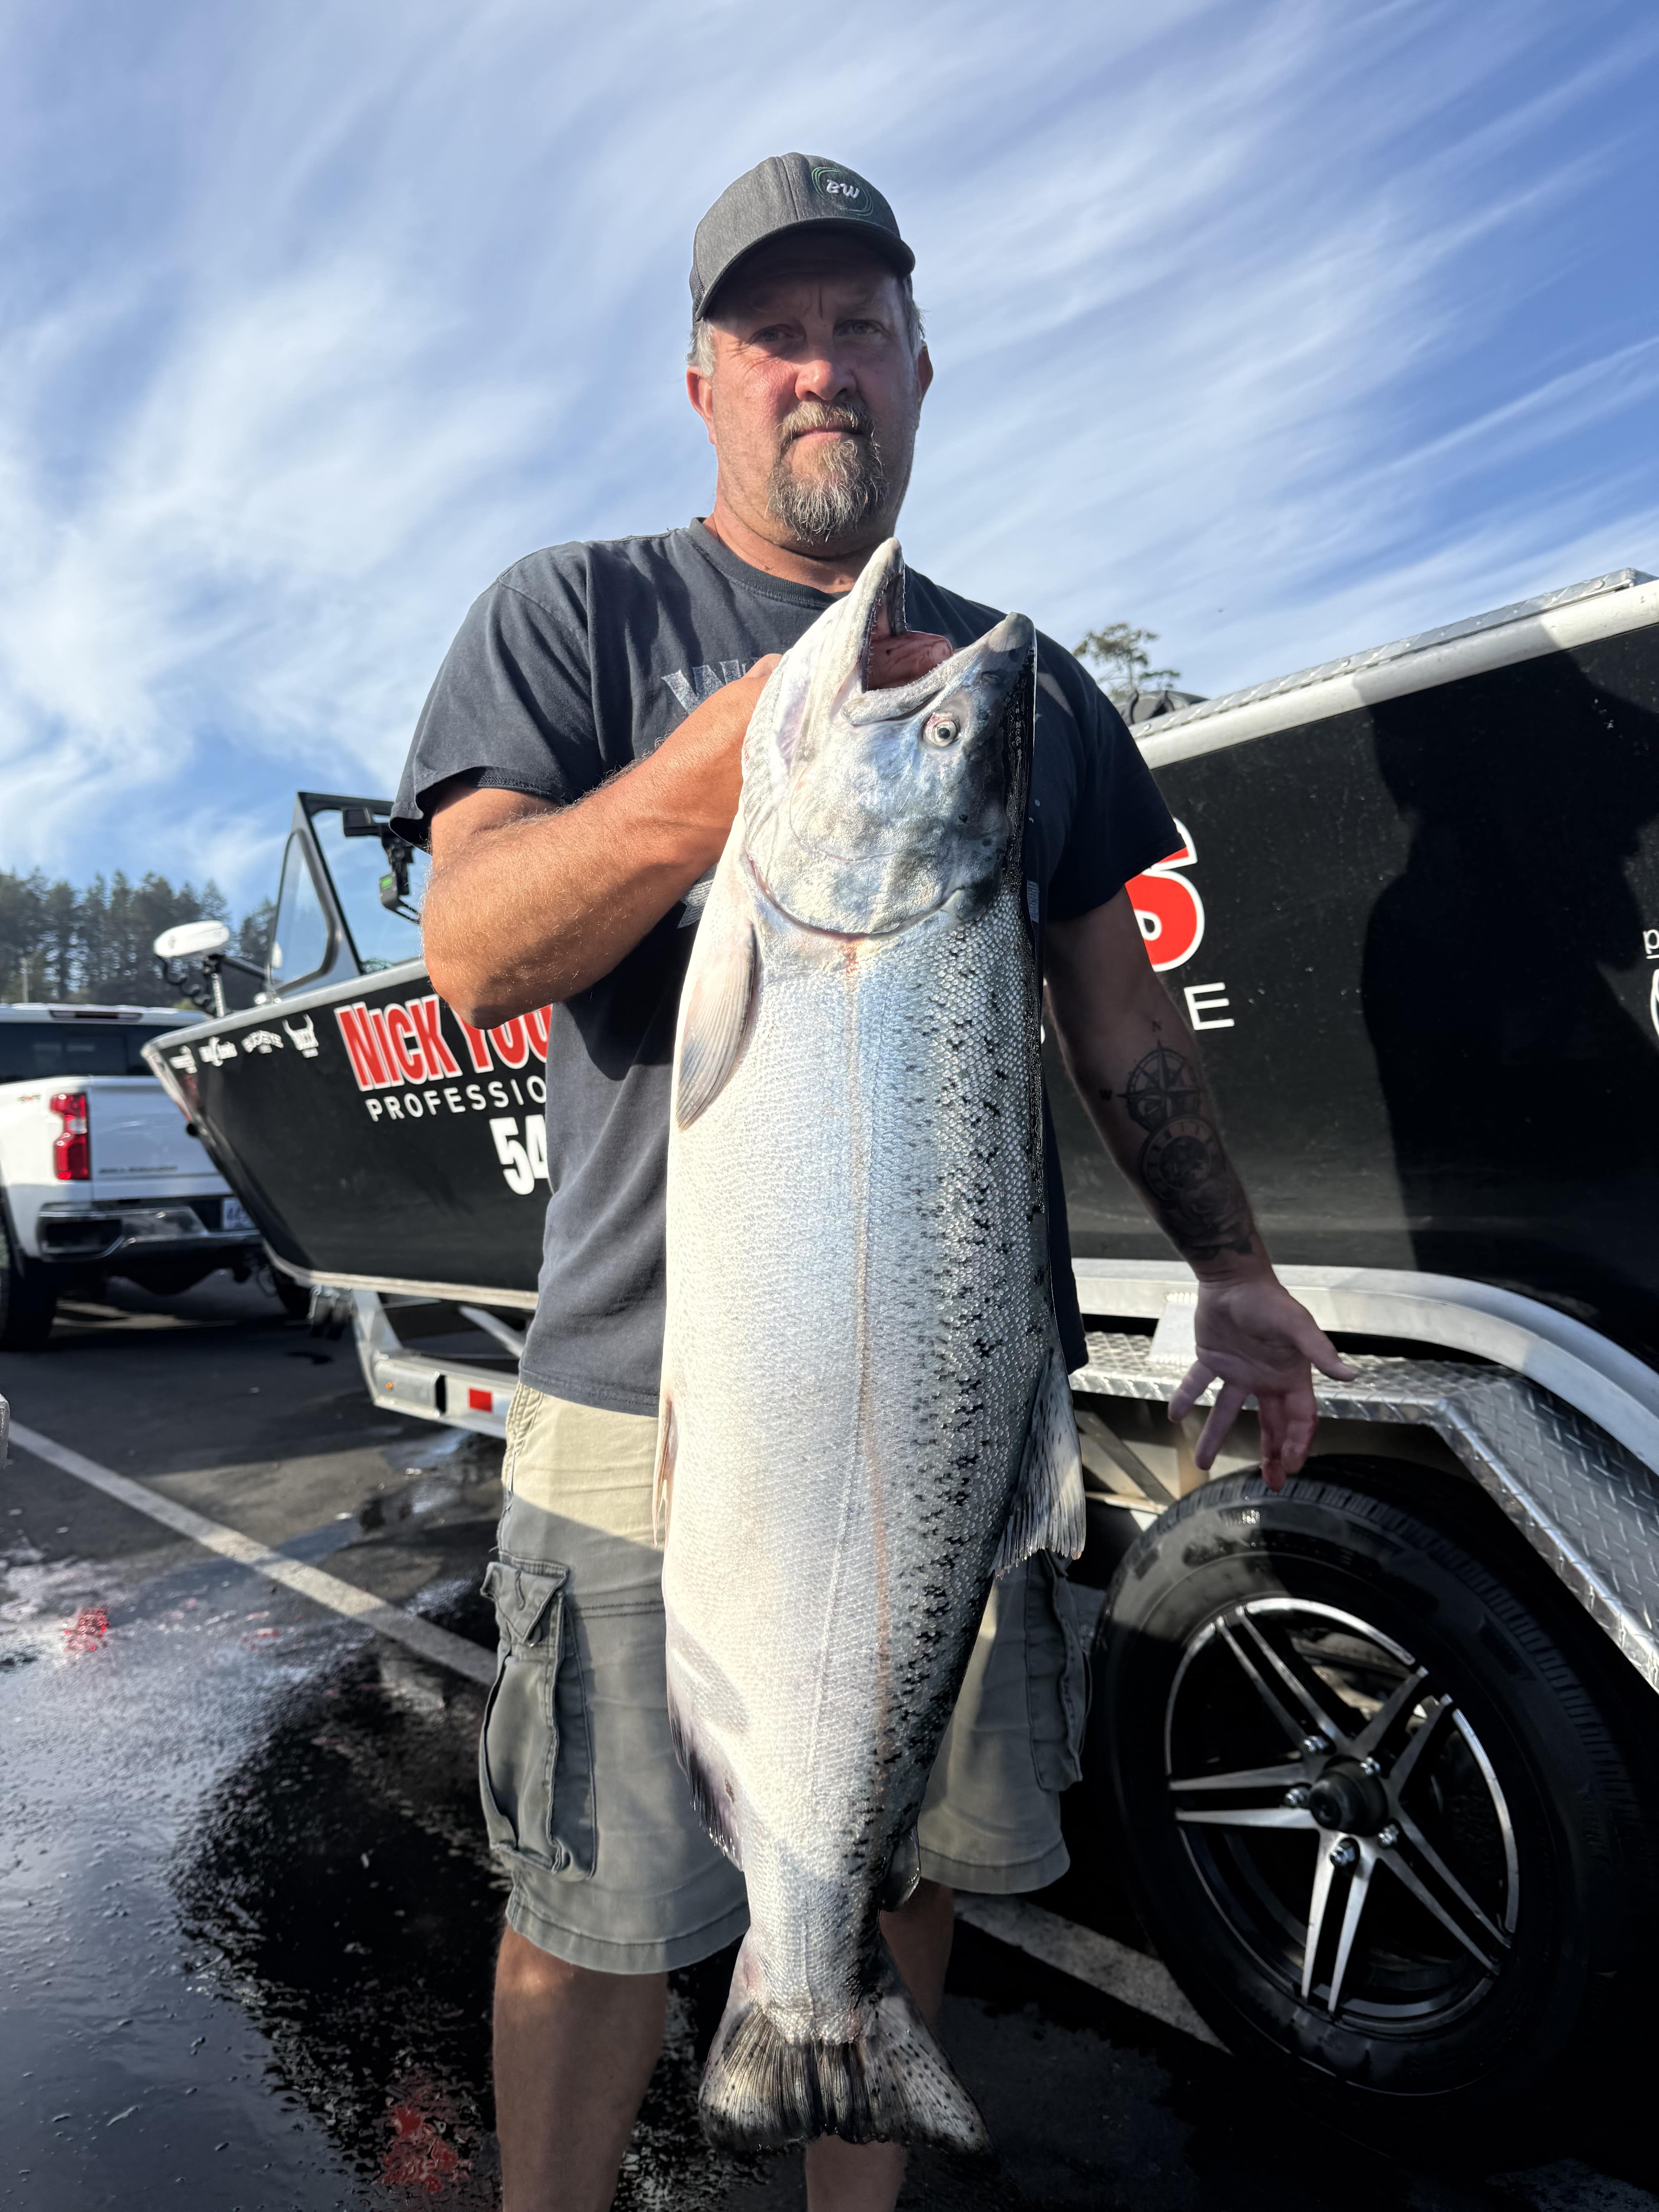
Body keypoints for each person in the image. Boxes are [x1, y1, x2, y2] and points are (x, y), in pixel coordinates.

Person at [395, 152, 1350, 2212]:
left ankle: (823, 2054)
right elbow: (475, 946)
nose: (820, 368)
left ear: (921, 367)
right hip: (637, 1397)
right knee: (594, 1907)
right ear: (705, 384)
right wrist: (725, 767)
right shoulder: (577, 614)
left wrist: (1243, 1272)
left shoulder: (1025, 684)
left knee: (903, 1852)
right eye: (776, 335)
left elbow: (1122, 1021)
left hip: (951, 1399)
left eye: (858, 329)